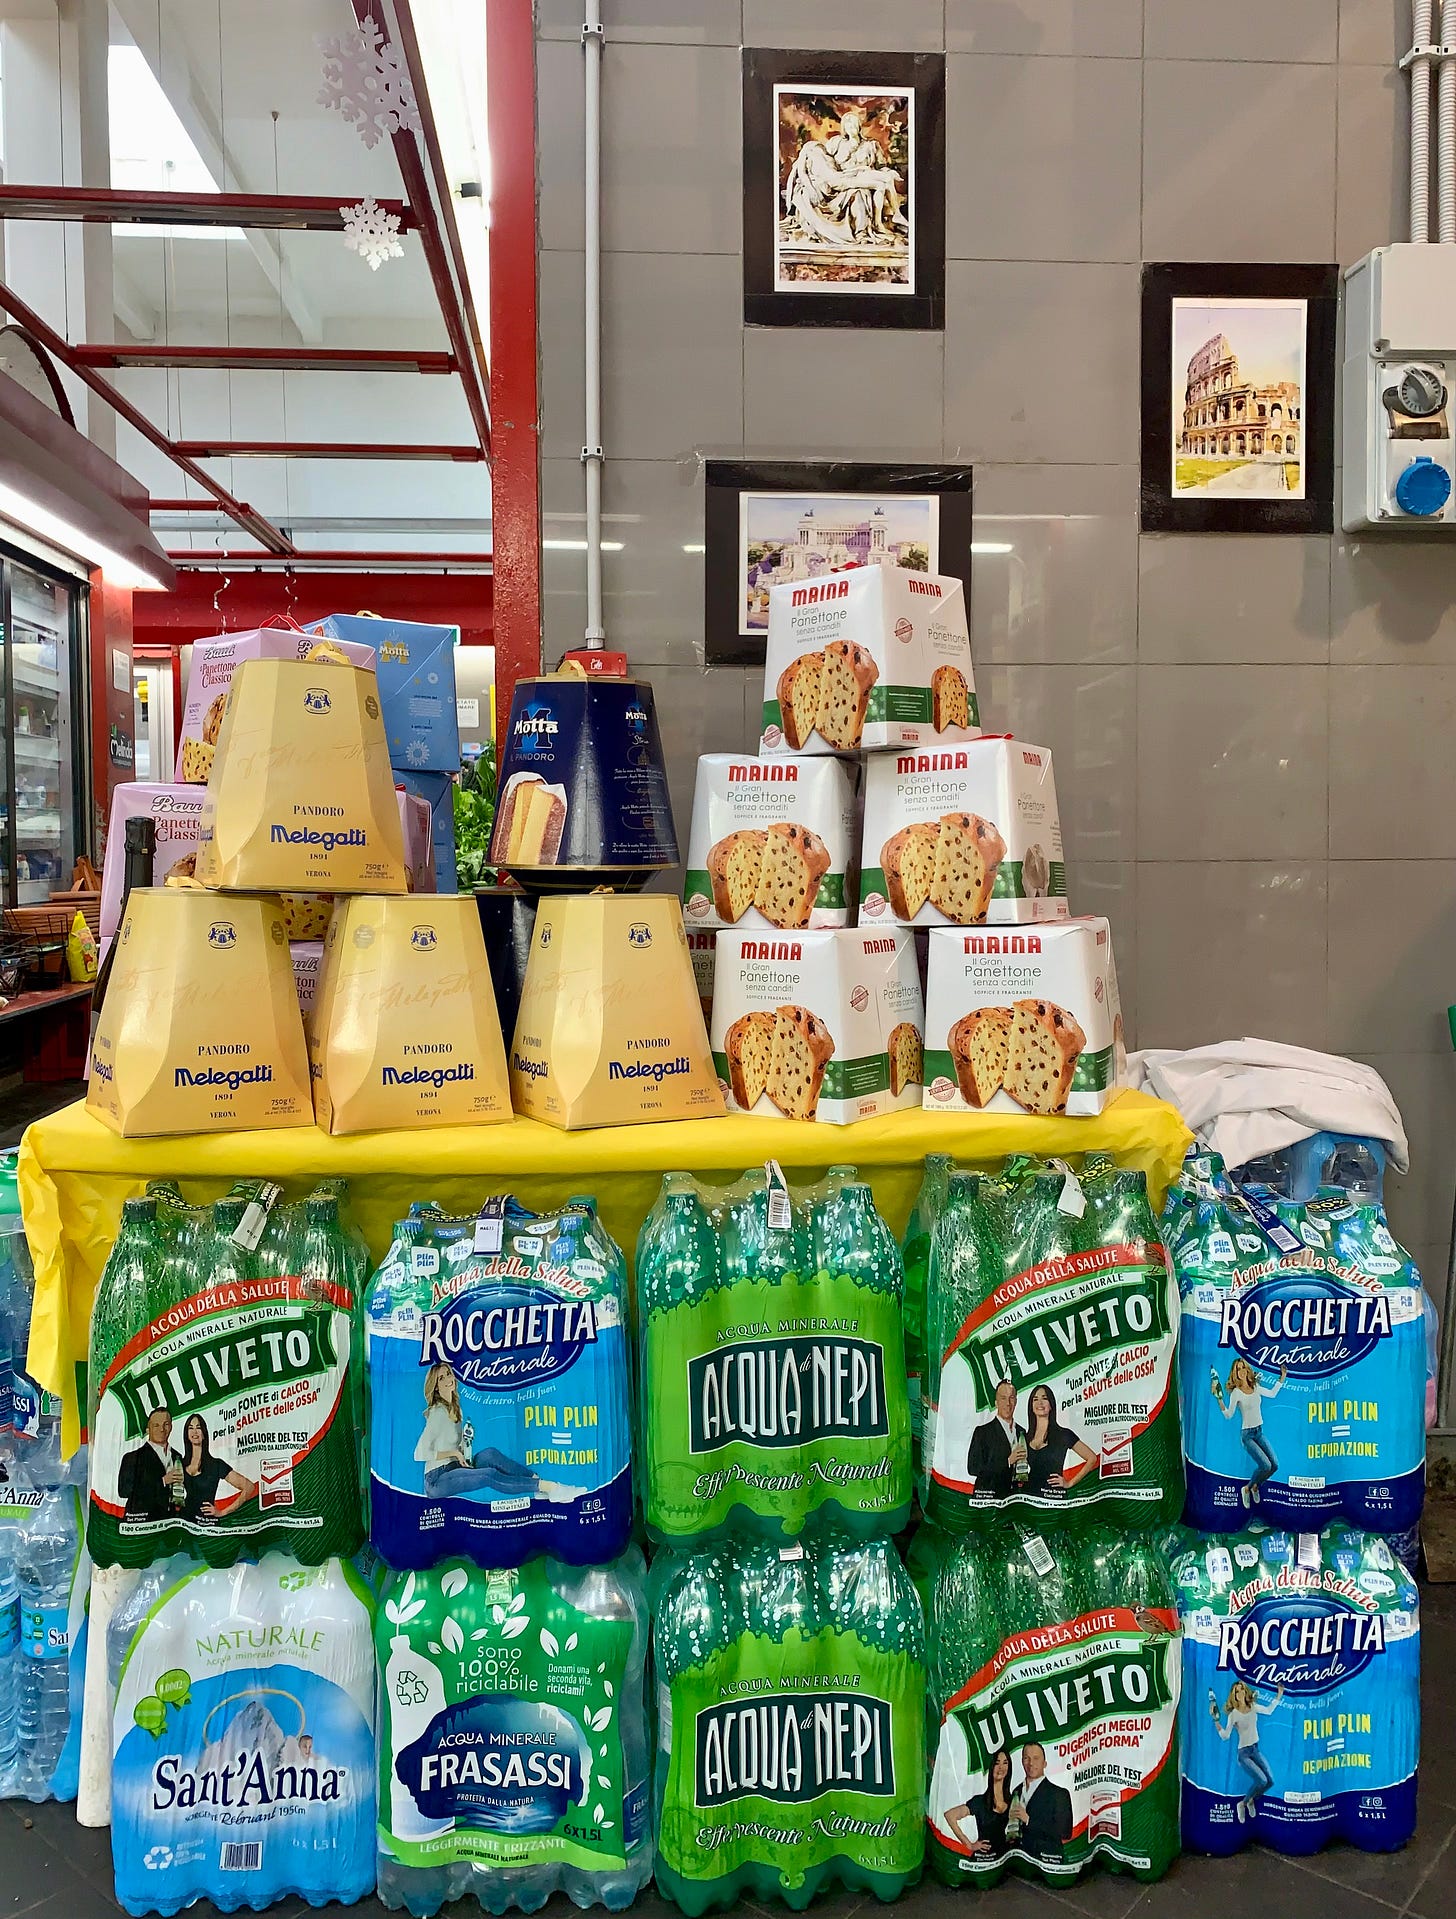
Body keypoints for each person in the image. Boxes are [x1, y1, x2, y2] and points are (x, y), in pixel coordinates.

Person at [415, 1361, 546, 1499]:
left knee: (490, 1454)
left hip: (456, 1466)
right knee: (488, 1474)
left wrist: (465, 1448)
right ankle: (544, 1486)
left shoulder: (455, 1408)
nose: (448, 1379)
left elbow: (454, 1445)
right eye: (441, 1378)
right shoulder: (438, 1413)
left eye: (448, 1374)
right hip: (437, 1478)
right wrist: (454, 1453)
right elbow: (419, 1453)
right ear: (435, 1387)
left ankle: (535, 1479)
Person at [1213, 1358, 1286, 1507]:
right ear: (1235, 1374)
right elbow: (1228, 1415)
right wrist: (1219, 1398)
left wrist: (1282, 1377)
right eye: (1237, 1369)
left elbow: (1272, 1394)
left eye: (1243, 1368)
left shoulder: (1256, 1386)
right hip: (1247, 1436)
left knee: (1275, 1465)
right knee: (1265, 1465)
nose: (1241, 1371)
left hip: (1259, 1432)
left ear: (1247, 1370)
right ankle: (1246, 1489)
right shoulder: (1236, 1393)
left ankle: (1255, 1486)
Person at [1211, 1680, 1283, 1822]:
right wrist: (1216, 1721)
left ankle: (1251, 1800)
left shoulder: (1253, 1707)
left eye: (1241, 1689)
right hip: (1244, 1754)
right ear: (1234, 1695)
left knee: (1270, 1781)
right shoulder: (1234, 1715)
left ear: (1245, 1691)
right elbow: (1225, 1736)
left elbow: (1269, 1710)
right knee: (1261, 1780)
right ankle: (1242, 1804)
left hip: (1255, 1750)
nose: (1240, 1693)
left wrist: (1279, 1695)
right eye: (1236, 1691)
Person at [179, 1412, 256, 1522]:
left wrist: (222, 1512)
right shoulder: (180, 1463)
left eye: (198, 1427)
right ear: (186, 1433)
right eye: (191, 1428)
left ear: (204, 1433)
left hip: (206, 1524)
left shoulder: (216, 1465)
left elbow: (249, 1487)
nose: (195, 1431)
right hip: (184, 1522)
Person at [1024, 1384, 1099, 1495]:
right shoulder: (1024, 1437)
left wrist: (1069, 1483)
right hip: (1030, 1498)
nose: (1040, 1403)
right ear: (1031, 1406)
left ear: (1051, 1405)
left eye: (1044, 1398)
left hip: (1053, 1498)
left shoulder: (1063, 1434)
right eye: (1035, 1399)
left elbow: (1092, 1458)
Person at [942, 1749, 1014, 1857]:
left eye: (1005, 1763)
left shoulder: (1013, 1800)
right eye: (997, 1763)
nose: (1001, 1767)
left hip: (1003, 1859)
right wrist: (969, 1845)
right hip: (982, 1860)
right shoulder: (980, 1801)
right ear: (991, 1766)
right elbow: (950, 1815)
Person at [117, 1407, 184, 1519]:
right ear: (148, 1429)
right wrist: (162, 1481)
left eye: (166, 1424)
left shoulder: (178, 1457)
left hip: (171, 1523)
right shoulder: (132, 1458)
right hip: (142, 1522)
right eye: (156, 1425)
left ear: (171, 1427)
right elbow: (124, 1491)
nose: (162, 1429)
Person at [1010, 1743, 1072, 1859]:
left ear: (1045, 1763)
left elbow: (1065, 1832)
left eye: (1036, 1758)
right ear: (1022, 1762)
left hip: (1048, 1862)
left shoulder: (1059, 1794)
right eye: (1026, 1758)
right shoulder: (1016, 1792)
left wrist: (1028, 1820)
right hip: (1019, 1863)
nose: (1031, 1763)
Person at [967, 1380, 1027, 1497]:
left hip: (1015, 1500)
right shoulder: (982, 1432)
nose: (1008, 1403)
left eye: (1011, 1398)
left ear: (1016, 1401)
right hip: (989, 1499)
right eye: (1003, 1398)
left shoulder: (1022, 1432)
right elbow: (973, 1468)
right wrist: (1008, 1461)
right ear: (996, 1403)